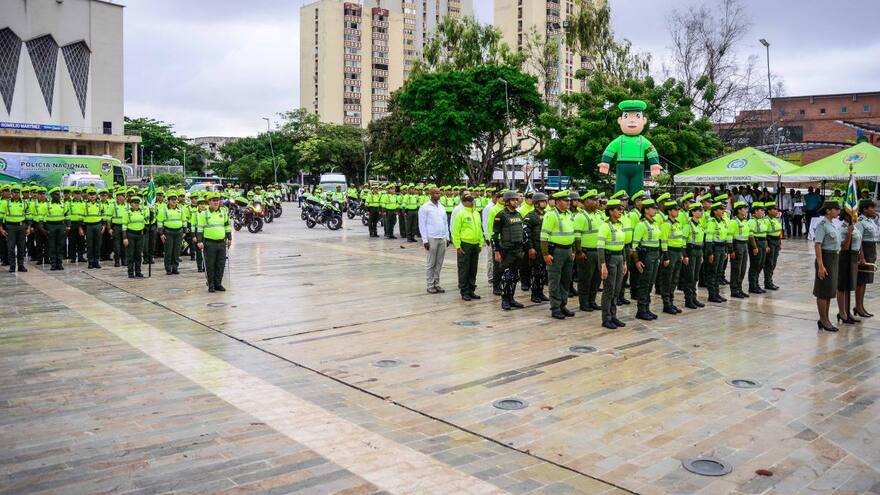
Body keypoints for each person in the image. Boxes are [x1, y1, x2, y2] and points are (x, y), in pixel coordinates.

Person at [541, 191, 576, 319]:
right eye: (565, 200)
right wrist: (545, 254)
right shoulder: (551, 215)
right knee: (554, 280)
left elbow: (572, 234)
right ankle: (555, 307)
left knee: (566, 279)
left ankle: (563, 304)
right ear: (557, 202)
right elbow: (544, 236)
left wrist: (572, 250)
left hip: (567, 251)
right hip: (556, 251)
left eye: (569, 200)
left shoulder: (569, 214)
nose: (568, 202)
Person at [597, 198, 627, 329]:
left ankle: (613, 316)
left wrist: (624, 261)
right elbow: (600, 246)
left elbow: (623, 245)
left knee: (617, 289)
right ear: (610, 211)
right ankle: (606, 318)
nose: (620, 212)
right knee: (609, 289)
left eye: (621, 209)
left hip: (619, 257)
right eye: (618, 209)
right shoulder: (605, 226)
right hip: (609, 259)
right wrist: (603, 264)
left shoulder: (620, 224)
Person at [493, 191, 526, 310]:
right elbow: (495, 235)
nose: (516, 202)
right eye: (513, 200)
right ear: (507, 202)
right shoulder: (500, 215)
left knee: (514, 276)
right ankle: (505, 300)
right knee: (506, 277)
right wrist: (496, 251)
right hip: (506, 250)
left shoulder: (518, 214)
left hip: (518, 250)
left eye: (516, 200)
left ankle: (511, 298)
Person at [574, 190, 603, 312]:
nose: (596, 202)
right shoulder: (580, 216)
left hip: (598, 251)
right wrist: (579, 252)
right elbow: (577, 236)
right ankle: (584, 303)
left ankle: (592, 300)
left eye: (597, 200)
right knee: (585, 279)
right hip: (587, 252)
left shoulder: (599, 215)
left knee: (597, 278)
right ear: (585, 202)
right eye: (593, 200)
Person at [632, 198, 662, 320]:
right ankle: (641, 310)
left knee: (650, 283)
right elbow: (634, 245)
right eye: (653, 208)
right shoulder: (641, 224)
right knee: (644, 283)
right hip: (646, 255)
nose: (655, 210)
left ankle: (646, 308)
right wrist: (637, 261)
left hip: (655, 254)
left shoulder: (654, 223)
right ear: (646, 210)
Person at [814, 201, 841, 332]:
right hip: (825, 258)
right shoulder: (822, 225)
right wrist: (820, 266)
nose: (838, 211)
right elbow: (817, 245)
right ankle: (823, 319)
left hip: (833, 258)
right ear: (828, 211)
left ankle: (825, 318)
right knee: (823, 291)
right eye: (836, 209)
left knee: (829, 291)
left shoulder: (832, 224)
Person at [197, 192, 232, 293]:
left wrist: (229, 238)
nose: (216, 202)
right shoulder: (204, 213)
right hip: (209, 243)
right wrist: (199, 241)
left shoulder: (224, 212)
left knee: (221, 264)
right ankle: (211, 285)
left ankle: (218, 284)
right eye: (214, 200)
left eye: (217, 200)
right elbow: (199, 228)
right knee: (210, 265)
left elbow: (227, 226)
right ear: (209, 202)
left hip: (221, 242)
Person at [450, 194, 482, 301]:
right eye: (468, 200)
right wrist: (458, 246)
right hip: (465, 244)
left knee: (473, 268)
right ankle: (464, 291)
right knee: (464, 268)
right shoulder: (460, 214)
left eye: (472, 200)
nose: (471, 202)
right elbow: (455, 231)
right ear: (463, 202)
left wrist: (480, 243)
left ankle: (471, 290)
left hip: (475, 244)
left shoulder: (476, 213)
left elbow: (479, 229)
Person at [418, 187, 449, 294]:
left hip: (442, 237)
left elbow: (445, 223)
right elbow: (422, 225)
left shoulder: (442, 207)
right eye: (435, 193)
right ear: (430, 194)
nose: (438, 195)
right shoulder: (425, 208)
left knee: (439, 263)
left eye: (439, 193)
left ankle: (437, 283)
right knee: (431, 263)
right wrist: (425, 240)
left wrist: (447, 237)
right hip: (431, 238)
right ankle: (430, 285)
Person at [658, 201, 685, 314]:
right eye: (675, 209)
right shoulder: (666, 224)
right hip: (670, 252)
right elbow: (663, 241)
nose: (677, 211)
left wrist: (682, 253)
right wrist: (665, 256)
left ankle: (671, 301)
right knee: (667, 279)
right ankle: (666, 304)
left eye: (678, 209)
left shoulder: (677, 223)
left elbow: (681, 240)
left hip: (678, 253)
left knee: (674, 278)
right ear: (669, 211)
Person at [836, 211, 861, 325]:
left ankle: (847, 311)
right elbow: (845, 247)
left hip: (853, 257)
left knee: (849, 285)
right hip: (845, 257)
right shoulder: (842, 229)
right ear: (847, 216)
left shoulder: (853, 226)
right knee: (842, 286)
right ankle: (842, 312)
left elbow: (858, 242)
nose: (856, 215)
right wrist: (849, 233)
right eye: (853, 214)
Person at [524, 192, 549, 303]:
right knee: (536, 272)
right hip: (535, 247)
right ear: (536, 203)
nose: (544, 203)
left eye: (545, 201)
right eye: (541, 201)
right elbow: (526, 234)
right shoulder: (530, 216)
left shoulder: (548, 214)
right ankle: (535, 293)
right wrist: (530, 248)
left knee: (543, 272)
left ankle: (541, 292)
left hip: (545, 248)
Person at [854, 200, 878, 318]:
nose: (874, 210)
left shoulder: (871, 221)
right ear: (865, 209)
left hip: (871, 250)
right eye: (872, 208)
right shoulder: (860, 222)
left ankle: (861, 306)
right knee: (861, 281)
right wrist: (861, 256)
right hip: (865, 251)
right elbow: (859, 240)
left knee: (865, 281)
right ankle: (858, 307)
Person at [681, 203, 706, 309]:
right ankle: (688, 299)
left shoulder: (700, 224)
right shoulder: (688, 225)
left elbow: (701, 241)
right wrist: (685, 255)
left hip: (698, 252)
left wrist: (702, 255)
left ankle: (694, 297)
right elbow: (683, 242)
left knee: (696, 276)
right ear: (693, 212)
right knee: (689, 277)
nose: (700, 212)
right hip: (690, 252)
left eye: (701, 210)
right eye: (698, 210)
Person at [1, 185, 29, 272]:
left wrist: (28, 228)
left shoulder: (24, 203)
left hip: (21, 227)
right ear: (11, 193)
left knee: (21, 247)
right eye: (14, 192)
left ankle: (21, 266)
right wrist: (1, 229)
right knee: (11, 248)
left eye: (17, 193)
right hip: (10, 227)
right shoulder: (6, 203)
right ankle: (12, 266)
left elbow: (28, 217)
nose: (16, 194)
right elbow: (0, 217)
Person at [706, 202, 729, 303]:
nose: (723, 211)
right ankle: (712, 295)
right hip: (715, 249)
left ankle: (717, 293)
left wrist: (726, 251)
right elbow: (709, 239)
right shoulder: (712, 222)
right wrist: (710, 253)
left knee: (719, 272)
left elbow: (725, 237)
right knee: (712, 272)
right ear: (715, 211)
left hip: (722, 248)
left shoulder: (723, 222)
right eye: (720, 209)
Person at [158, 192, 185, 275]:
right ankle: (168, 268)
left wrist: (184, 231)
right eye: (172, 200)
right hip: (168, 232)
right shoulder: (164, 210)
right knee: (168, 251)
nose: (174, 201)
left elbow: (184, 220)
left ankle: (175, 268)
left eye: (175, 200)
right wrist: (161, 234)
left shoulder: (180, 209)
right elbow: (159, 222)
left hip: (179, 232)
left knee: (177, 251)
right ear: (168, 201)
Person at [728, 201, 751, 298]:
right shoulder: (733, 222)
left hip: (744, 245)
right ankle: (734, 290)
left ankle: (739, 288)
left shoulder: (745, 221)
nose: (746, 210)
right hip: (737, 245)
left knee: (743, 268)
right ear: (739, 210)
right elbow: (729, 237)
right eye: (744, 208)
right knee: (736, 269)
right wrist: (731, 250)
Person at [122, 195, 147, 278]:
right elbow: (124, 227)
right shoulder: (127, 213)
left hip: (140, 235)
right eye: (134, 203)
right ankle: (130, 272)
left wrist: (151, 212)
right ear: (130, 204)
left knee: (138, 255)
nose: (136, 204)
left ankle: (138, 271)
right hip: (130, 235)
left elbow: (147, 221)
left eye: (138, 203)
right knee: (130, 255)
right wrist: (125, 238)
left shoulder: (142, 212)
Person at [747, 202, 769, 294]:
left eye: (763, 210)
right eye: (761, 210)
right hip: (756, 243)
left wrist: (767, 245)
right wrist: (754, 247)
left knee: (761, 264)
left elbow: (765, 234)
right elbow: (751, 236)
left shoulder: (762, 220)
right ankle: (752, 286)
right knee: (755, 265)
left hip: (763, 243)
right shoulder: (752, 221)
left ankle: (756, 284)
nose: (763, 211)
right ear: (755, 211)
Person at [82, 187, 105, 269]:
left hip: (98, 225)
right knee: (90, 245)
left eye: (93, 194)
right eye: (90, 194)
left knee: (98, 244)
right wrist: (81, 228)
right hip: (88, 226)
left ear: (96, 195)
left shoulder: (100, 204)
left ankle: (96, 261)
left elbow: (103, 216)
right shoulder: (84, 205)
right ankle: (90, 262)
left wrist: (104, 226)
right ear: (87, 196)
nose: (92, 196)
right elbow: (81, 217)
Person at [764, 202, 783, 290]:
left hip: (776, 242)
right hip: (770, 241)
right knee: (769, 262)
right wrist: (766, 245)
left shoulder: (776, 219)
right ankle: (768, 282)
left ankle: (770, 280)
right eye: (774, 209)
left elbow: (779, 231)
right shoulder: (766, 220)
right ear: (768, 211)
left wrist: (779, 243)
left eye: (776, 209)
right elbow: (764, 234)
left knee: (774, 262)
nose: (776, 211)